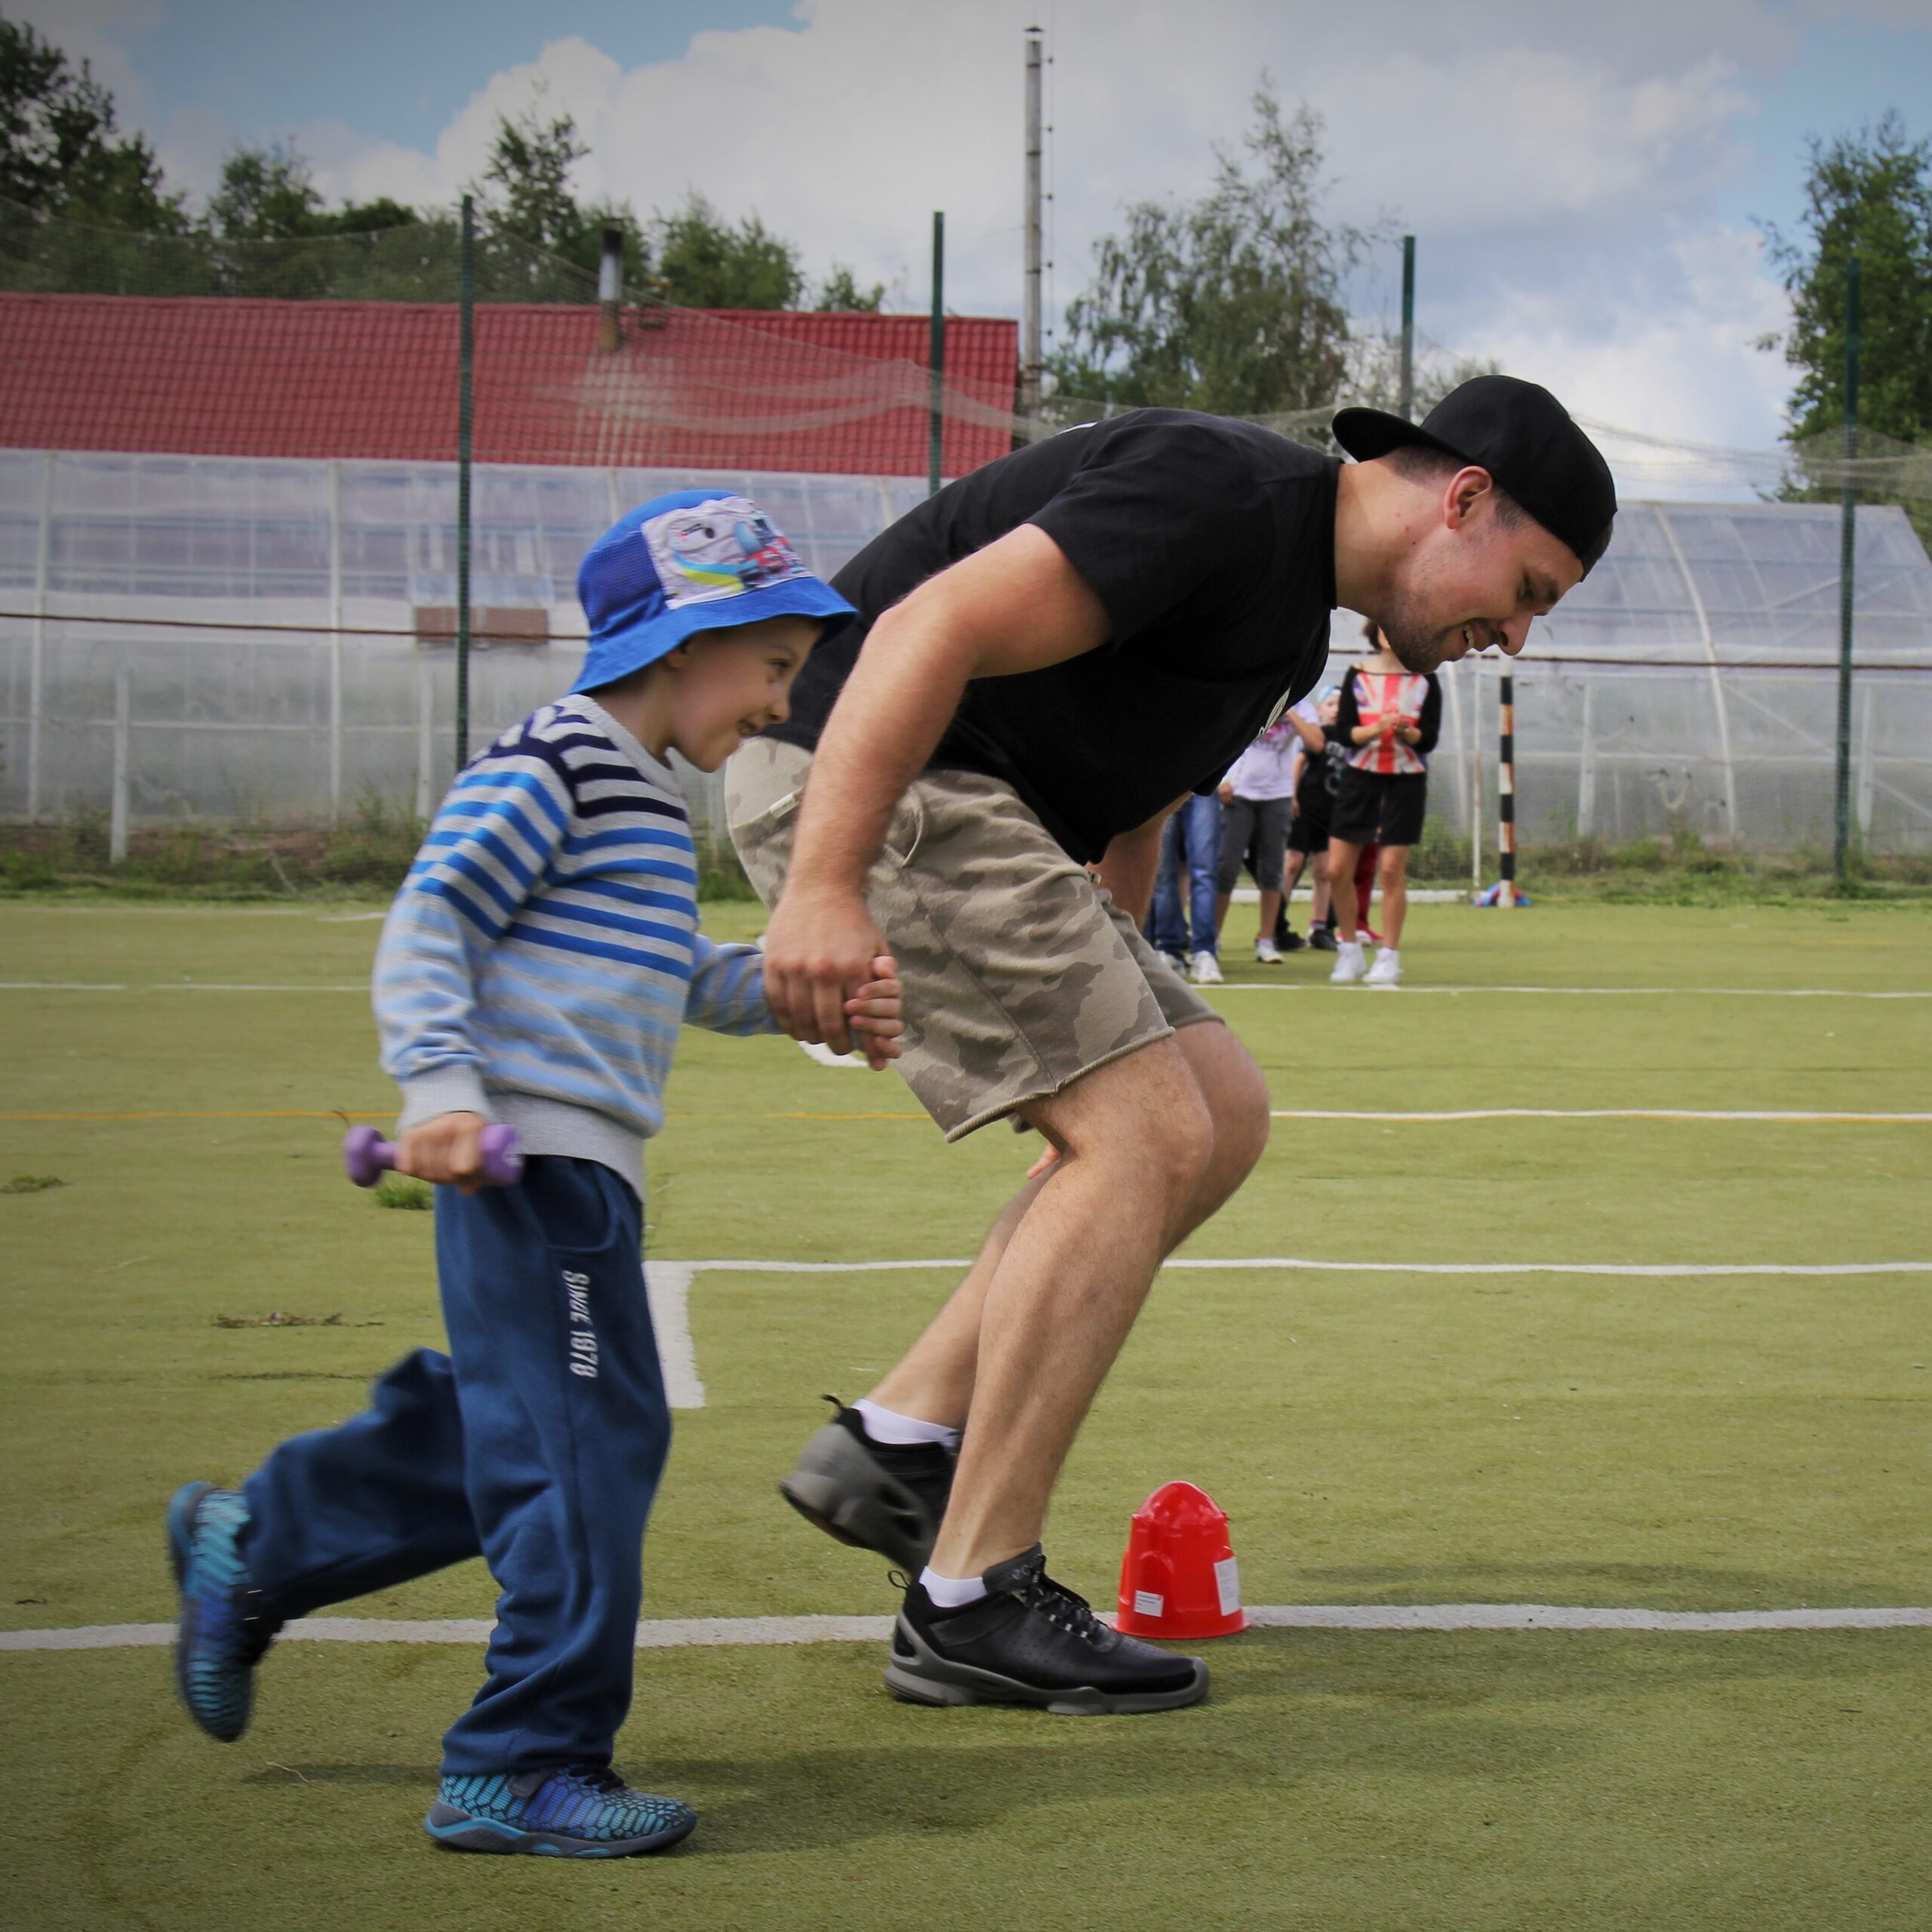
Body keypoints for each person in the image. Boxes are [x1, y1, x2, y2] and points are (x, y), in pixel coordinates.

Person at [728, 376, 1614, 1716]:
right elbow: (933, 623)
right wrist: (823, 888)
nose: (1521, 635)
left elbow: (1138, 779)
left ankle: (900, 1444)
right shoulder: (1223, 494)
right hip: (877, 772)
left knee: (1217, 1105)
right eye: (1533, 587)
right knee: (1145, 1135)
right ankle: (971, 1596)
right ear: (1467, 498)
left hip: (974, 805)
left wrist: (1121, 955)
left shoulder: (1288, 619)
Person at [165, 492, 904, 1858]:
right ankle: (518, 1764)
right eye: (773, 667)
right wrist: (441, 1088)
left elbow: (666, 976)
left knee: (531, 1437)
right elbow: (434, 912)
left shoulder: (633, 792)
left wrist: (800, 999)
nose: (780, 705)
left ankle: (259, 1541)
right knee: (584, 1456)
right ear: (681, 643)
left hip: (585, 1174)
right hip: (531, 1168)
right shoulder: (555, 761)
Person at [1327, 620, 1443, 986]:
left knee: (1391, 871)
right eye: (1383, 626)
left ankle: (1389, 955)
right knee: (1336, 871)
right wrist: (1377, 728)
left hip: (1406, 781)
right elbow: (1345, 732)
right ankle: (1349, 950)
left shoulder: (1426, 677)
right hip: (1360, 777)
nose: (1388, 633)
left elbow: (1429, 739)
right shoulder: (1357, 675)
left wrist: (1409, 732)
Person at [1215, 717, 1298, 963]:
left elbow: (1316, 742)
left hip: (1278, 796)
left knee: (1272, 871)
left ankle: (1266, 941)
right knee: (1226, 868)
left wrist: (1291, 711)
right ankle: (1212, 940)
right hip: (1238, 795)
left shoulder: (1301, 706)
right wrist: (1222, 780)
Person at [1278, 685, 1344, 950]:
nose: (1336, 709)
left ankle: (1320, 927)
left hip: (1332, 813)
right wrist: (1293, 797)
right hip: (1306, 809)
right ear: (1319, 710)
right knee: (1292, 862)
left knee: (1325, 871)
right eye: (1330, 704)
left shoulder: (1350, 738)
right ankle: (1276, 921)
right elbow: (1299, 763)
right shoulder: (1320, 734)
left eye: (1341, 704)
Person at [1145, 790, 1224, 982]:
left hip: (1203, 784)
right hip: (1166, 783)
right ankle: (1168, 950)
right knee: (1163, 875)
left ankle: (1204, 953)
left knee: (1204, 872)